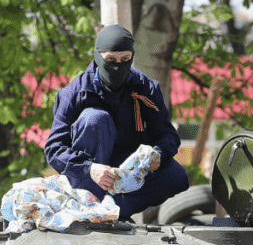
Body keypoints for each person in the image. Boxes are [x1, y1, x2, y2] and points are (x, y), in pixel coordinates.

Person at [44, 25, 189, 220]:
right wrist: (90, 169)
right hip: (90, 171)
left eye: (125, 60)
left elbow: (167, 134)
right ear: (97, 55)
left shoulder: (146, 87)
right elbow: (54, 149)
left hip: (129, 172)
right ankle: (91, 203)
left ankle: (114, 211)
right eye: (110, 60)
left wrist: (158, 155)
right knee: (95, 119)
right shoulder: (73, 93)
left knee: (177, 176)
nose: (117, 66)